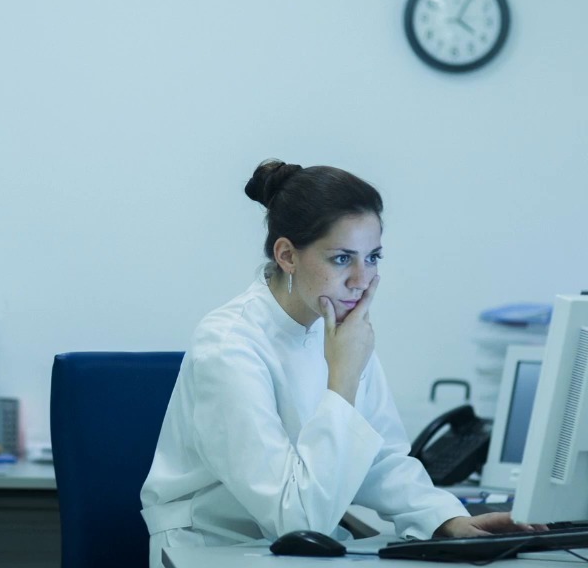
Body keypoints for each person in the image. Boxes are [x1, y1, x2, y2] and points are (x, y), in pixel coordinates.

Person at [139, 159, 535, 567]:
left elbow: (377, 458)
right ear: (288, 255)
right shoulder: (228, 345)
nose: (362, 280)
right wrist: (343, 376)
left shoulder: (338, 326)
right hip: (212, 549)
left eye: (374, 257)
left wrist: (444, 517)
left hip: (300, 546)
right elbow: (293, 519)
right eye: (343, 259)